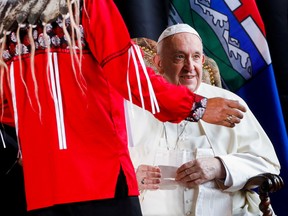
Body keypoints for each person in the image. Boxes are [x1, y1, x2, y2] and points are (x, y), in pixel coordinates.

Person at [0, 1, 246, 216]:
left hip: (41, 184)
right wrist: (197, 106)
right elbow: (128, 73)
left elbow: (7, 109)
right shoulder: (86, 4)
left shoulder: (4, 18)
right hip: (99, 178)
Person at [127, 24, 280, 216]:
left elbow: (267, 164)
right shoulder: (132, 105)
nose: (190, 67)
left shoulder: (230, 104)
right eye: (179, 57)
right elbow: (98, 166)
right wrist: (130, 177)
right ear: (158, 62)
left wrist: (220, 167)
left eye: (196, 57)